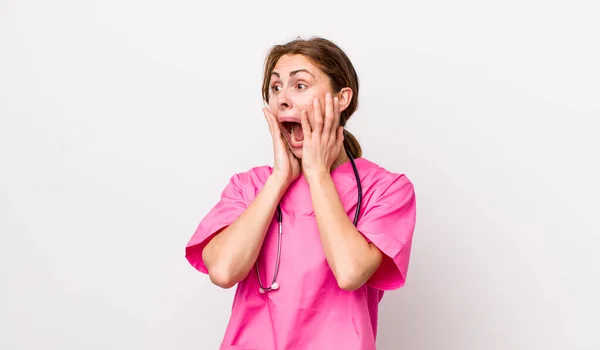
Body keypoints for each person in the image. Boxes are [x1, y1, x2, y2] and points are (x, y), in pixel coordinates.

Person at [185, 36, 417, 350]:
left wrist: (318, 174)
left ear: (342, 98)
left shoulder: (386, 189)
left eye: (300, 86)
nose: (282, 99)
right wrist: (280, 178)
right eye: (275, 87)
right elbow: (224, 271)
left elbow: (350, 272)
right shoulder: (249, 186)